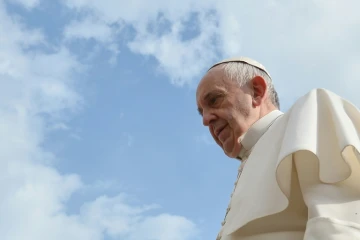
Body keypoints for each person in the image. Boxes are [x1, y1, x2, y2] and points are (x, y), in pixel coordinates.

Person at [196, 57, 360, 240]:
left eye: (215, 100)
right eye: (201, 112)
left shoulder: (311, 113)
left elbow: (339, 227)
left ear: (257, 92)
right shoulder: (247, 161)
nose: (205, 120)